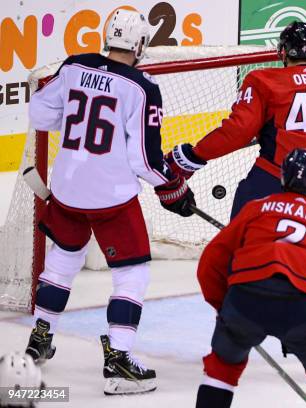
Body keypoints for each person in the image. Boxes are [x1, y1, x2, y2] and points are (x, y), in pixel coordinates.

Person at [166, 21, 306, 374]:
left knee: (240, 243)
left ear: (282, 51)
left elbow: (238, 129)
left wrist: (192, 157)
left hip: (276, 179)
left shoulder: (263, 80)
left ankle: (234, 326)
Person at [25, 9, 195, 395]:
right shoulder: (142, 87)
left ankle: (40, 335)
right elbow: (146, 162)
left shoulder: (74, 66)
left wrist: (71, 126)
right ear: (139, 45)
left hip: (66, 187)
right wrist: (174, 188)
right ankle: (118, 363)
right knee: (132, 273)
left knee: (63, 259)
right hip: (111, 198)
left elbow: (39, 113)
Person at [196, 149, 306, 408]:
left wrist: (225, 308)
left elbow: (210, 263)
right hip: (302, 307)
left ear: (282, 177)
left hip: (245, 300)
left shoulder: (256, 209)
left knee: (221, 370)